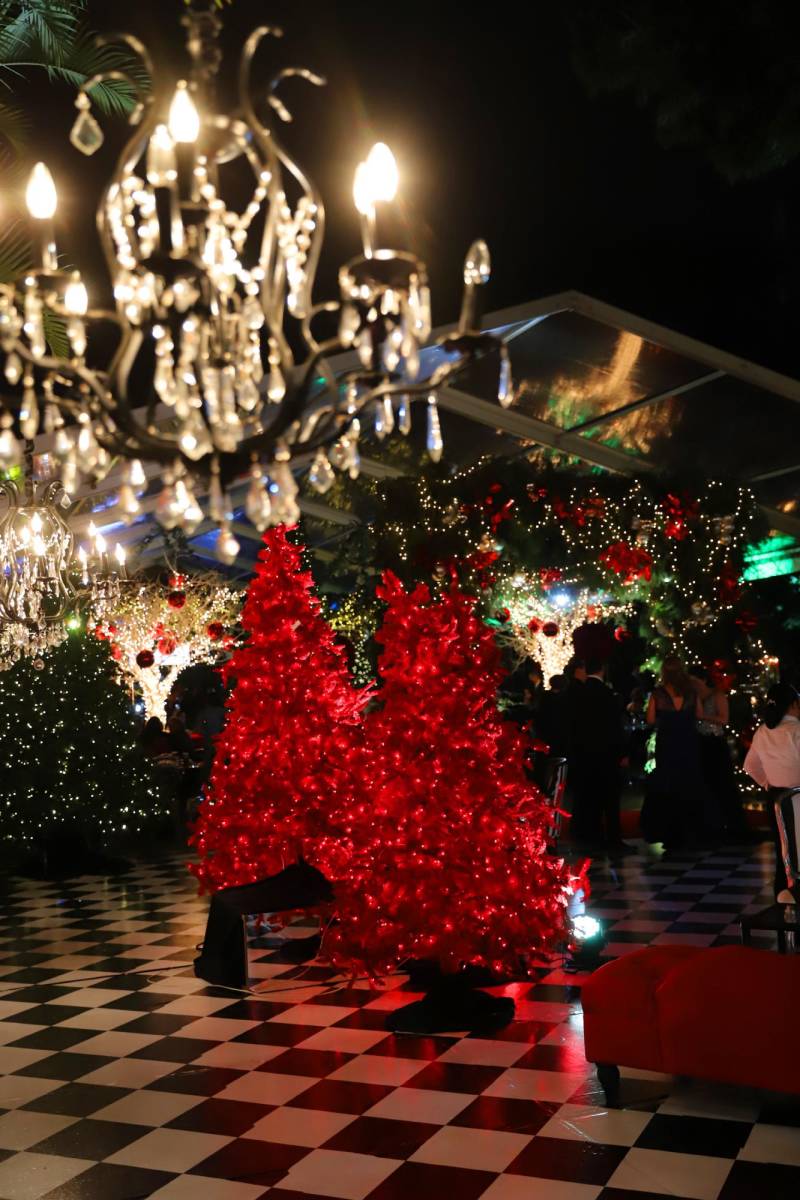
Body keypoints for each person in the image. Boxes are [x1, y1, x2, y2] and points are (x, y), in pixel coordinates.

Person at [568, 657, 632, 854]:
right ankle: (613, 838)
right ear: (603, 669)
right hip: (607, 753)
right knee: (611, 799)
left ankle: (593, 837)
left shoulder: (578, 693)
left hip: (585, 754)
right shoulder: (608, 694)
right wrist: (623, 752)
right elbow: (615, 726)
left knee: (591, 797)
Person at [744, 682, 800, 901]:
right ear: (794, 705)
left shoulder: (762, 732)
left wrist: (768, 783)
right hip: (797, 799)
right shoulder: (796, 731)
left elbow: (750, 766)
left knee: (783, 853)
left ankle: (782, 901)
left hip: (776, 799)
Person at [643, 656, 707, 849]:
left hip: (668, 743)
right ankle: (691, 832)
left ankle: (670, 833)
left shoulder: (658, 694)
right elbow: (700, 715)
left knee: (668, 785)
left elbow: (651, 720)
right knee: (688, 784)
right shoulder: (691, 692)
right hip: (687, 742)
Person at [689, 667, 745, 838]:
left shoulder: (717, 695)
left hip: (715, 743)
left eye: (694, 681)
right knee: (705, 784)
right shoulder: (693, 697)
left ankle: (732, 825)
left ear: (703, 680)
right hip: (699, 743)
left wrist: (702, 716)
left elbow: (724, 719)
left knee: (722, 782)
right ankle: (711, 825)